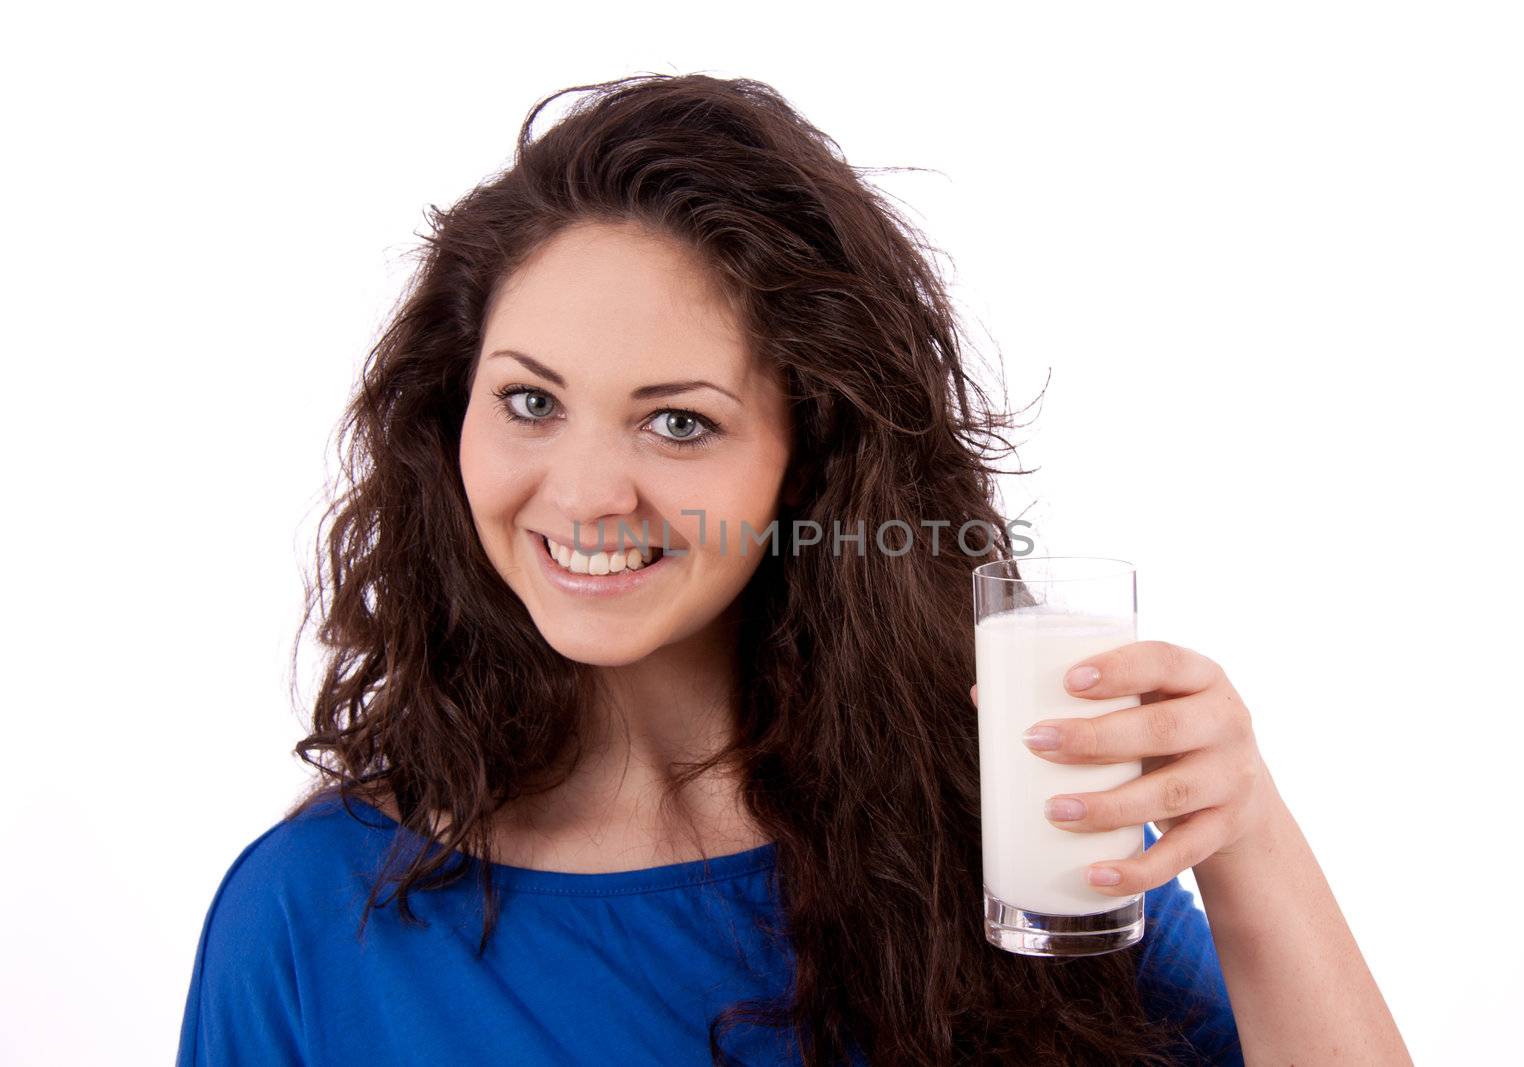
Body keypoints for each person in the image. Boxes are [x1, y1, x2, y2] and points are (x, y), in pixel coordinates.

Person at [176, 73, 1409, 1065]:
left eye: (679, 421)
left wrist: (1243, 830)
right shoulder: (312, 915)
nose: (587, 491)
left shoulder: (1005, 829)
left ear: (805, 458)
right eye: (530, 400)